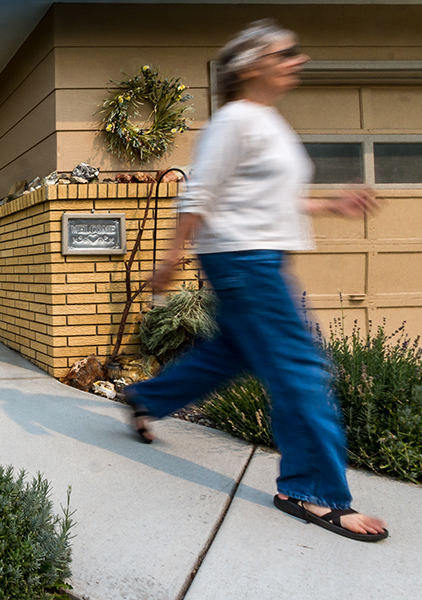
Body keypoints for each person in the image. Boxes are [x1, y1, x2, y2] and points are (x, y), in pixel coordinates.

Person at [122, 19, 388, 542]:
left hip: (257, 260)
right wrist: (172, 258)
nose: (299, 60)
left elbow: (270, 199)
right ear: (249, 65)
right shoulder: (236, 120)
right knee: (299, 369)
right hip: (246, 261)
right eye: (286, 52)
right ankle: (311, 490)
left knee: (233, 354)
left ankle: (146, 398)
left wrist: (331, 205)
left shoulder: (269, 123)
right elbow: (198, 194)